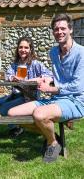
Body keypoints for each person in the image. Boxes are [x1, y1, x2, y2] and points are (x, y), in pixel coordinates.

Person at [8, 13, 84, 163]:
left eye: (63, 28)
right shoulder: (53, 52)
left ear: (71, 30)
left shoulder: (81, 53)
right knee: (12, 114)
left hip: (75, 100)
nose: (59, 32)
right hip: (56, 99)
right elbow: (56, 77)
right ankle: (53, 137)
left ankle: (52, 144)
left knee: (39, 114)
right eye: (56, 29)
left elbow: (78, 85)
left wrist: (50, 89)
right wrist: (48, 79)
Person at [0, 37, 53, 137]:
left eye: (26, 47)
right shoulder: (15, 64)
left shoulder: (36, 64)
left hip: (29, 97)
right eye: (21, 47)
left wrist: (27, 81)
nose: (23, 50)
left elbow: (48, 75)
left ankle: (16, 128)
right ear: (17, 49)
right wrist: (12, 78)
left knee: (3, 109)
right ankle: (14, 124)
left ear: (30, 49)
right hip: (15, 94)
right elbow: (7, 75)